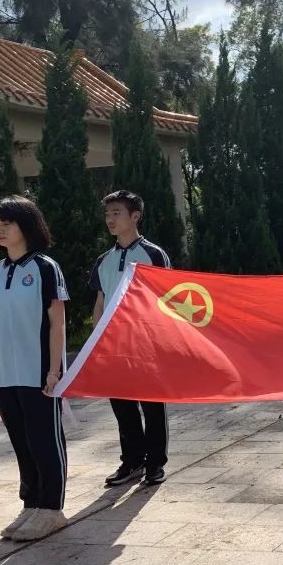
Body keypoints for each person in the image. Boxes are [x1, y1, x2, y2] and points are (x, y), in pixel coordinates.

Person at [0, 195, 70, 541]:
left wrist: (55, 370)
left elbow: (57, 322)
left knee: (44, 441)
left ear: (26, 225)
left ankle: (51, 509)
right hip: (3, 375)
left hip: (37, 372)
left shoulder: (45, 267)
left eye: (7, 223)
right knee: (21, 442)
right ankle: (31, 505)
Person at [89, 190, 172, 487]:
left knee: (152, 405)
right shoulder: (104, 260)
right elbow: (100, 301)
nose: (110, 219)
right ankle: (133, 460)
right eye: (107, 214)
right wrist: (98, 340)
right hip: (114, 345)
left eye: (117, 213)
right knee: (122, 406)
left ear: (135, 216)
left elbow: (167, 297)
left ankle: (155, 463)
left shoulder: (153, 254)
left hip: (146, 343)